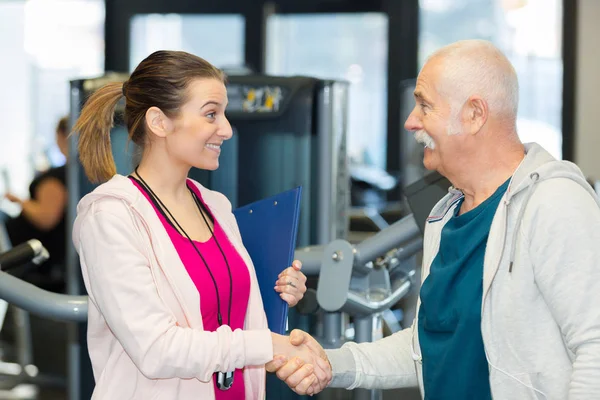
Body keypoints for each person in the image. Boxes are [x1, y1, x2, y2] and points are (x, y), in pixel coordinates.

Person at [269, 39, 600, 399]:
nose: (411, 122)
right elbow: (428, 347)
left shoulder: (553, 202)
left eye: (425, 106)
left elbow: (595, 347)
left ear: (474, 114)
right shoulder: (444, 216)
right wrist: (332, 364)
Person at [70, 50, 328, 399]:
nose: (227, 129)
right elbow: (157, 349)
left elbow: (229, 324)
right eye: (211, 114)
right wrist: (269, 346)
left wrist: (277, 295)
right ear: (159, 122)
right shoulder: (111, 216)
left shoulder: (215, 205)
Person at [1, 116, 69, 284]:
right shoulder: (69, 173)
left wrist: (19, 201)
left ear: (61, 136)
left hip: (35, 258)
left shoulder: (59, 176)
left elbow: (46, 219)